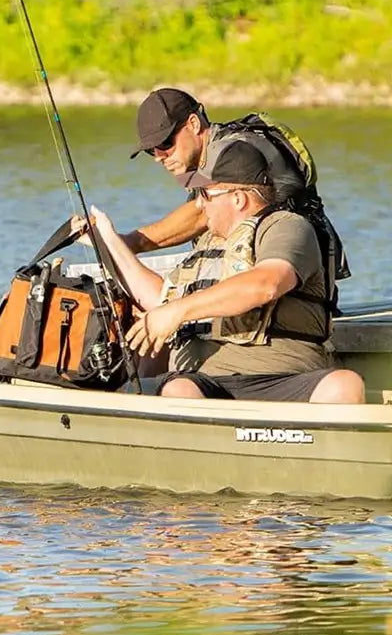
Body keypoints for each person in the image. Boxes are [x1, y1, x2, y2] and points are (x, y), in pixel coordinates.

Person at [86, 139, 364, 403]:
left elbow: (266, 283)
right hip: (208, 382)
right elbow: (162, 300)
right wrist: (109, 239)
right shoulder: (209, 243)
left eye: (205, 194)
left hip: (285, 379)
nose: (199, 204)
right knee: (178, 389)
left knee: (344, 385)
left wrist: (177, 312)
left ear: (238, 199)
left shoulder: (285, 226)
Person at [122, 88, 349, 303]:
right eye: (151, 150)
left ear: (193, 123)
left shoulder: (233, 152)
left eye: (165, 143)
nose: (159, 156)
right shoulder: (208, 159)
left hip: (294, 291)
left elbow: (199, 215)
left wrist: (130, 243)